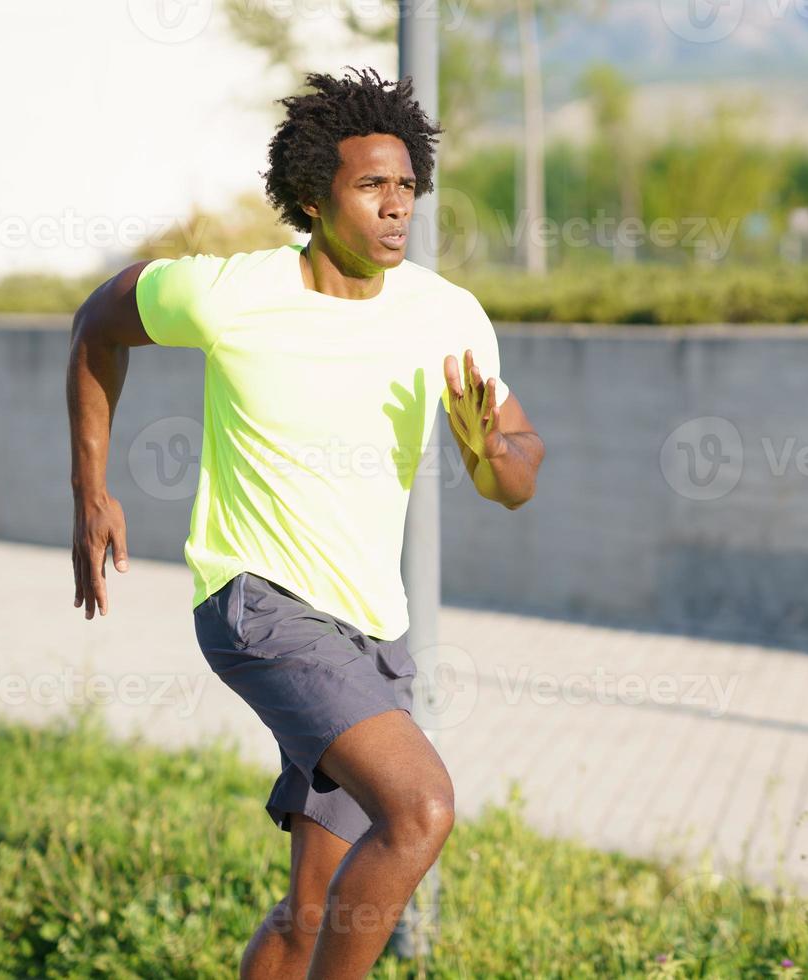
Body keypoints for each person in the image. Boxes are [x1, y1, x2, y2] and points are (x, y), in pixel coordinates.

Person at [65, 65, 544, 979]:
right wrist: (92, 491)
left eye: (407, 187)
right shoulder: (229, 294)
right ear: (313, 199)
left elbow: (518, 469)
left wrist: (492, 457)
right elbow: (97, 324)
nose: (397, 206)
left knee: (314, 911)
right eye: (372, 186)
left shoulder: (447, 316)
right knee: (422, 808)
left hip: (370, 632)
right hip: (257, 605)